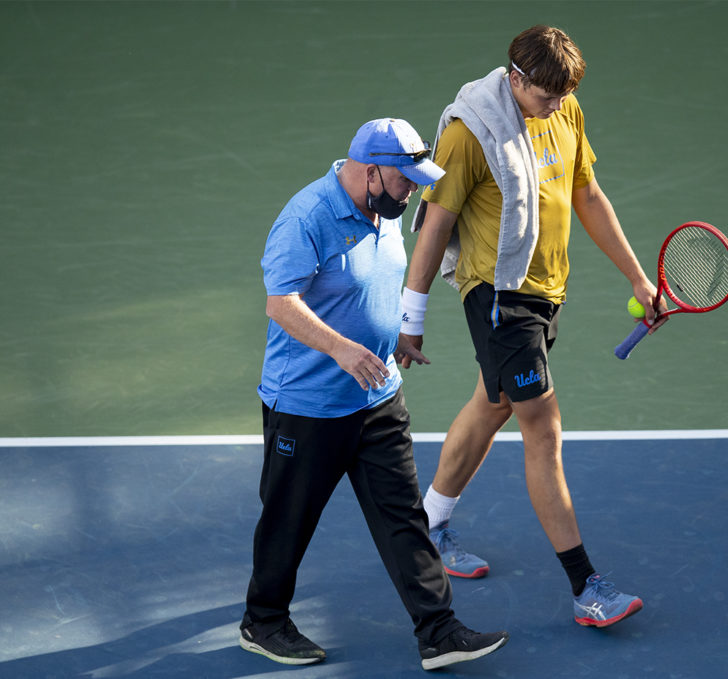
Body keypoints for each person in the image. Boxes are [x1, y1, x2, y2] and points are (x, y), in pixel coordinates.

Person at [397, 26, 665, 628]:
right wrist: (409, 319)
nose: (555, 105)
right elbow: (435, 226)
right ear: (515, 78)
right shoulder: (470, 133)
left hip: (545, 291)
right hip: (499, 297)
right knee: (541, 427)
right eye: (544, 95)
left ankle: (428, 525)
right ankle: (586, 587)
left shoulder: (564, 107)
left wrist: (637, 278)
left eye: (562, 95)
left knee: (492, 404)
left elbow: (586, 192)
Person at [241, 118, 509, 670]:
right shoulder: (307, 217)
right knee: (288, 519)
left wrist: (392, 337)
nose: (412, 191)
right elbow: (281, 303)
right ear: (369, 171)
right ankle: (263, 622)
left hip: (378, 394)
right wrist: (342, 348)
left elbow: (371, 288)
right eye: (404, 180)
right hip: (307, 405)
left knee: (403, 516)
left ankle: (438, 631)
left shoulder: (384, 209)